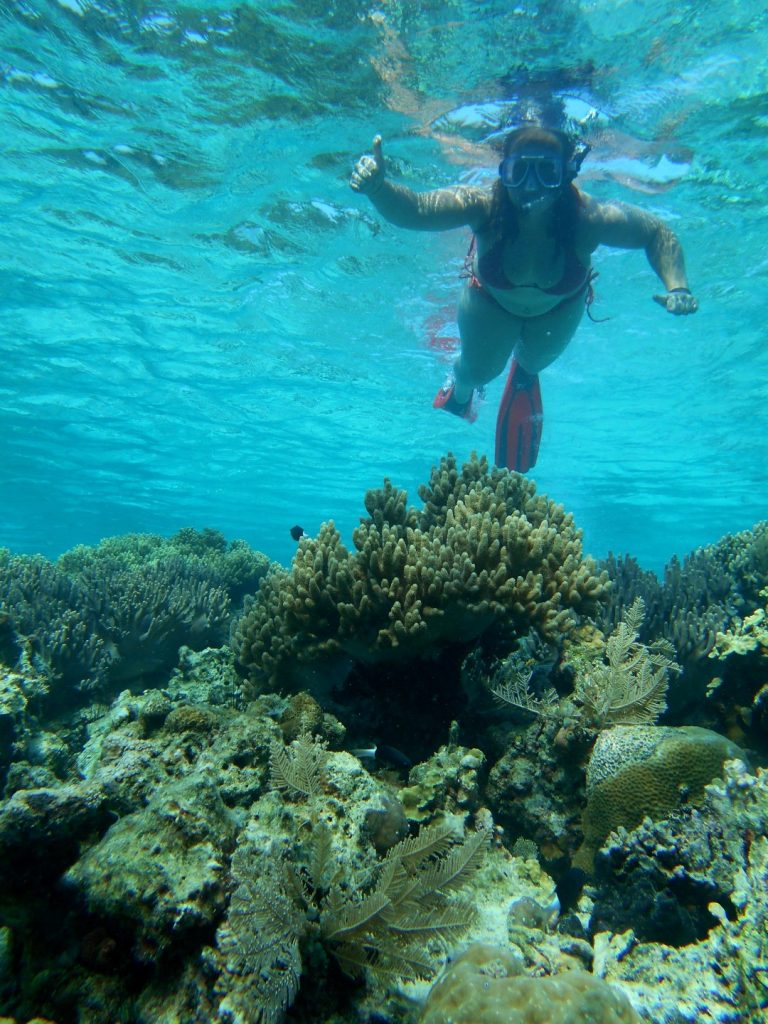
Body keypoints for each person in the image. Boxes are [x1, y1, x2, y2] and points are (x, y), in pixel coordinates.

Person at [350, 125, 698, 472]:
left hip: (559, 307)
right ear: (504, 173)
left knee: (532, 365)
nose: (531, 185)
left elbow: (656, 232)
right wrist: (379, 189)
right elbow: (417, 209)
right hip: (491, 302)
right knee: (477, 371)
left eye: (545, 172)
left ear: (567, 173)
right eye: (520, 171)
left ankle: (521, 377)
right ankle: (462, 389)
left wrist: (678, 285)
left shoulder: (589, 218)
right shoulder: (484, 206)